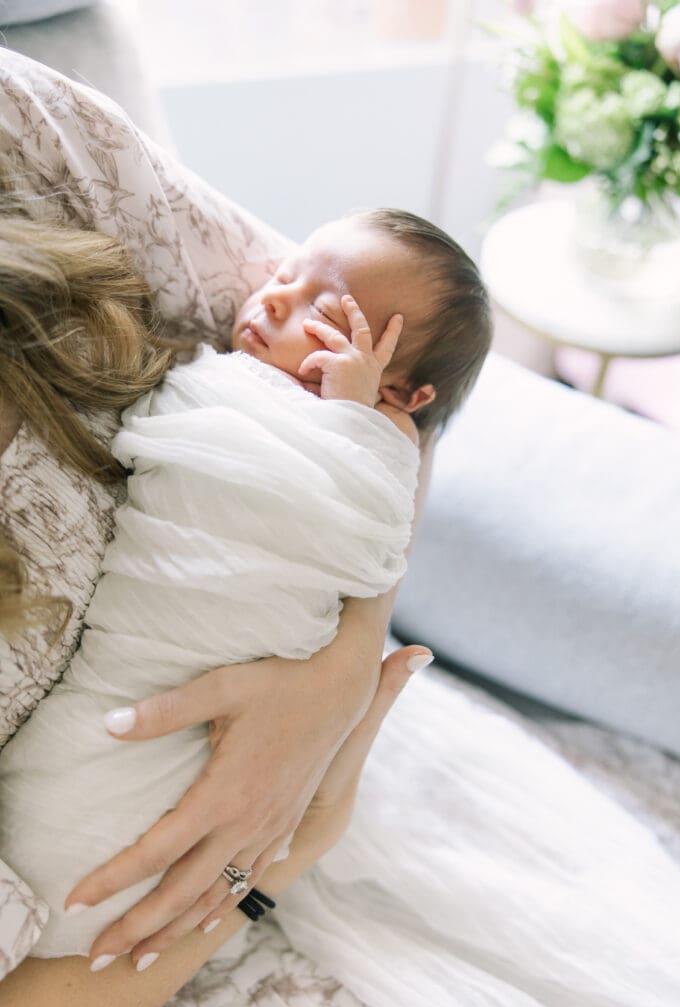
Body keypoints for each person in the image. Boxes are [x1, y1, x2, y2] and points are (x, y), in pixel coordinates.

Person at [3, 50, 680, 1007]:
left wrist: (342, 660)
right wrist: (286, 850)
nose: (270, 300)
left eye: (307, 300)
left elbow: (400, 445)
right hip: (146, 893)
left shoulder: (38, 137)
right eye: (288, 292)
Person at [0, 201, 490, 963]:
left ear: (400, 393)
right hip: (139, 645)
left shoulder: (374, 440)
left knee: (132, 768)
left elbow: (372, 523)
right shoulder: (221, 382)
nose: (270, 298)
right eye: (286, 276)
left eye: (319, 311)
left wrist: (359, 426)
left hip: (231, 664)